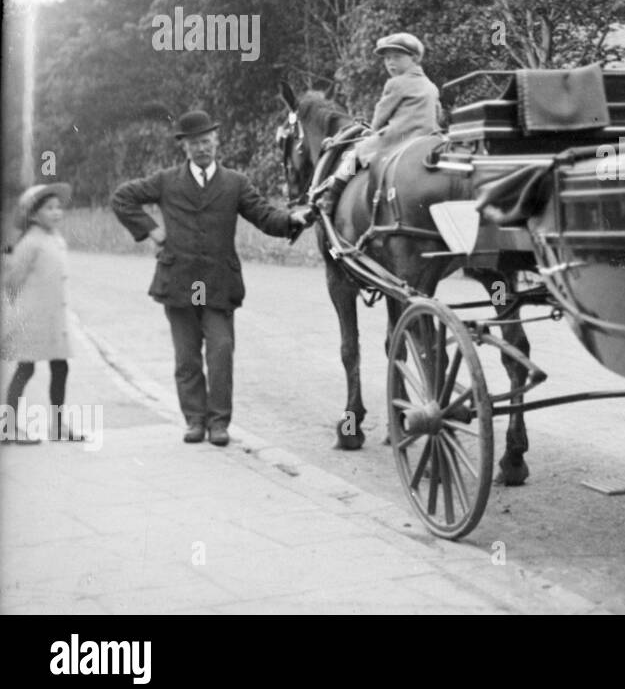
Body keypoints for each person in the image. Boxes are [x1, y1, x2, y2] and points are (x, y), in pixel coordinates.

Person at [111, 111, 313, 446]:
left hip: (218, 283)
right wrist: (153, 231)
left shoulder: (235, 183)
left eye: (206, 141)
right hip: (179, 280)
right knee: (187, 357)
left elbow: (264, 215)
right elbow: (122, 198)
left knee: (221, 351)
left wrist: (293, 219)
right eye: (194, 143)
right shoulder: (166, 181)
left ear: (216, 142)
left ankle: (219, 424)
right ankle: (194, 421)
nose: (202, 148)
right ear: (184, 148)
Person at [315, 32, 443, 215]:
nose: (390, 63)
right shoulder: (431, 86)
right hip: (427, 139)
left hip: (398, 138)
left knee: (352, 155)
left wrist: (372, 131)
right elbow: (437, 114)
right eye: (387, 59)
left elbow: (381, 115)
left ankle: (331, 195)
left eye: (397, 57)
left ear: (414, 58)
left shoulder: (396, 84)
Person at [2, 183, 74, 444]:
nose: (56, 213)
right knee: (25, 369)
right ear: (33, 215)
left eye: (58, 208)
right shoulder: (30, 242)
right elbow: (11, 281)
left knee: (60, 367)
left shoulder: (54, 238)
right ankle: (8, 427)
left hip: (54, 319)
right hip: (31, 319)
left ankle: (57, 425)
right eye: (49, 208)